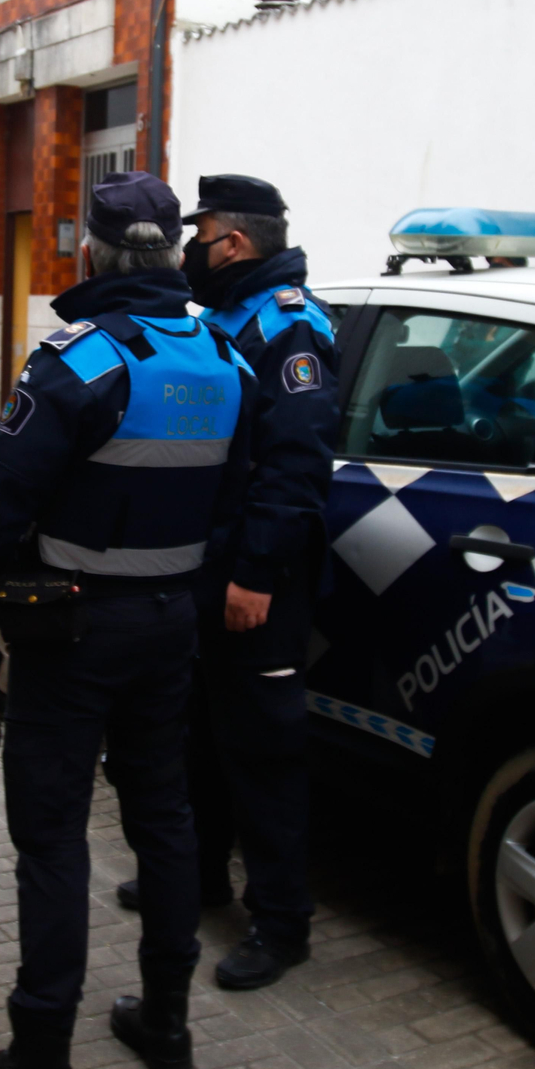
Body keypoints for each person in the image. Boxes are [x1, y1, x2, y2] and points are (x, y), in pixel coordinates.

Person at [0, 173, 259, 1069]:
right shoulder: (224, 354)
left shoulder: (82, 359)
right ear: (173, 252)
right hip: (171, 625)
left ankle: (40, 1042)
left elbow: (0, 496)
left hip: (71, 629)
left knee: (50, 835)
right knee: (162, 818)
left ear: (92, 249)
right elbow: (235, 497)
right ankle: (166, 1022)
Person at [113, 173, 339, 991]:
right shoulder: (229, 319)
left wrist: (255, 573)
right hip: (205, 568)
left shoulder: (289, 328)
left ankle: (282, 924)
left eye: (196, 235)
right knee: (197, 736)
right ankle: (199, 878)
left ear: (232, 242)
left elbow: (294, 468)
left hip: (256, 581)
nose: (187, 251)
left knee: (264, 754)